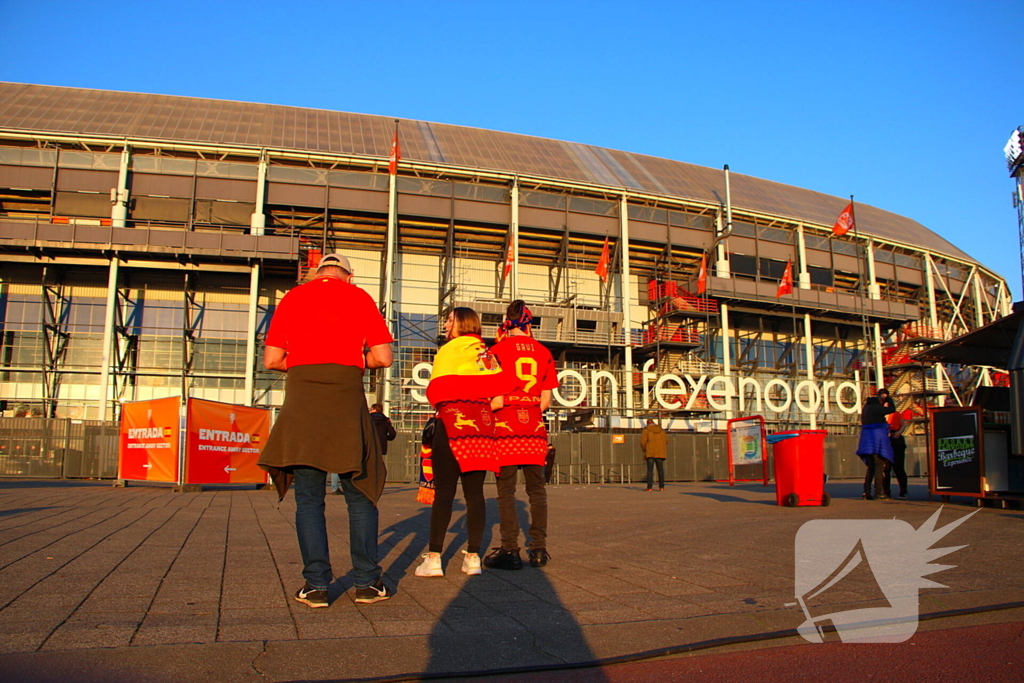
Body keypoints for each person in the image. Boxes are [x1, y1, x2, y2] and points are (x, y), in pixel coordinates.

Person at [258, 253, 394, 608]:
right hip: (346, 405)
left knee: (308, 500)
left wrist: (307, 363)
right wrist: (349, 359)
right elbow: (382, 358)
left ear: (316, 273)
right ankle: (366, 583)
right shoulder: (359, 297)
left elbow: (272, 359)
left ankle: (316, 586)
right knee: (359, 496)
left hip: (303, 405)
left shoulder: (293, 297)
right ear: (348, 276)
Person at [415, 307, 515, 578]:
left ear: (460, 323)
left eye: (449, 320)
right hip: (480, 429)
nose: (446, 325)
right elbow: (498, 399)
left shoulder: (447, 351)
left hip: (450, 424)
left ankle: (434, 558)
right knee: (475, 494)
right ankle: (473, 558)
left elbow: (436, 393)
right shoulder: (486, 354)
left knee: (444, 493)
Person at [484, 301, 559, 570]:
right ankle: (538, 549)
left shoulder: (495, 350)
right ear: (530, 322)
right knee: (537, 491)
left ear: (507, 320)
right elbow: (546, 400)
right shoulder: (544, 353)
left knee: (505, 491)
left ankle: (510, 549)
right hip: (534, 430)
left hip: (504, 428)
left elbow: (491, 397)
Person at [332, 403, 396, 495]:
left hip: (365, 445)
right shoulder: (386, 420)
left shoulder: (366, 418)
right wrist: (385, 438)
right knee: (376, 467)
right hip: (379, 447)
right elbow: (392, 434)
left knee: (361, 466)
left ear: (374, 409)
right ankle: (375, 487)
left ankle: (359, 486)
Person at [856, 388, 896, 500]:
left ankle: (866, 492)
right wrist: (889, 399)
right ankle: (879, 492)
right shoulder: (877, 408)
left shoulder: (866, 408)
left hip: (866, 441)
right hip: (877, 441)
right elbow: (892, 409)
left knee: (871, 467)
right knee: (879, 466)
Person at [887, 405, 909, 499]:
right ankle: (886, 491)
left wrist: (899, 432)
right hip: (886, 440)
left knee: (898, 467)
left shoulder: (896, 414)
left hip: (896, 439)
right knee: (886, 469)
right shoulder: (881, 415)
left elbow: (903, 425)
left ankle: (903, 490)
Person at [640, 419, 668, 491]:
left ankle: (649, 487)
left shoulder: (646, 430)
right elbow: (666, 441)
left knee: (650, 470)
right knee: (660, 470)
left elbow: (643, 442)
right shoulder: (661, 430)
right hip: (660, 452)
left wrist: (644, 450)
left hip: (650, 452)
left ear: (647, 423)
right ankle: (661, 487)